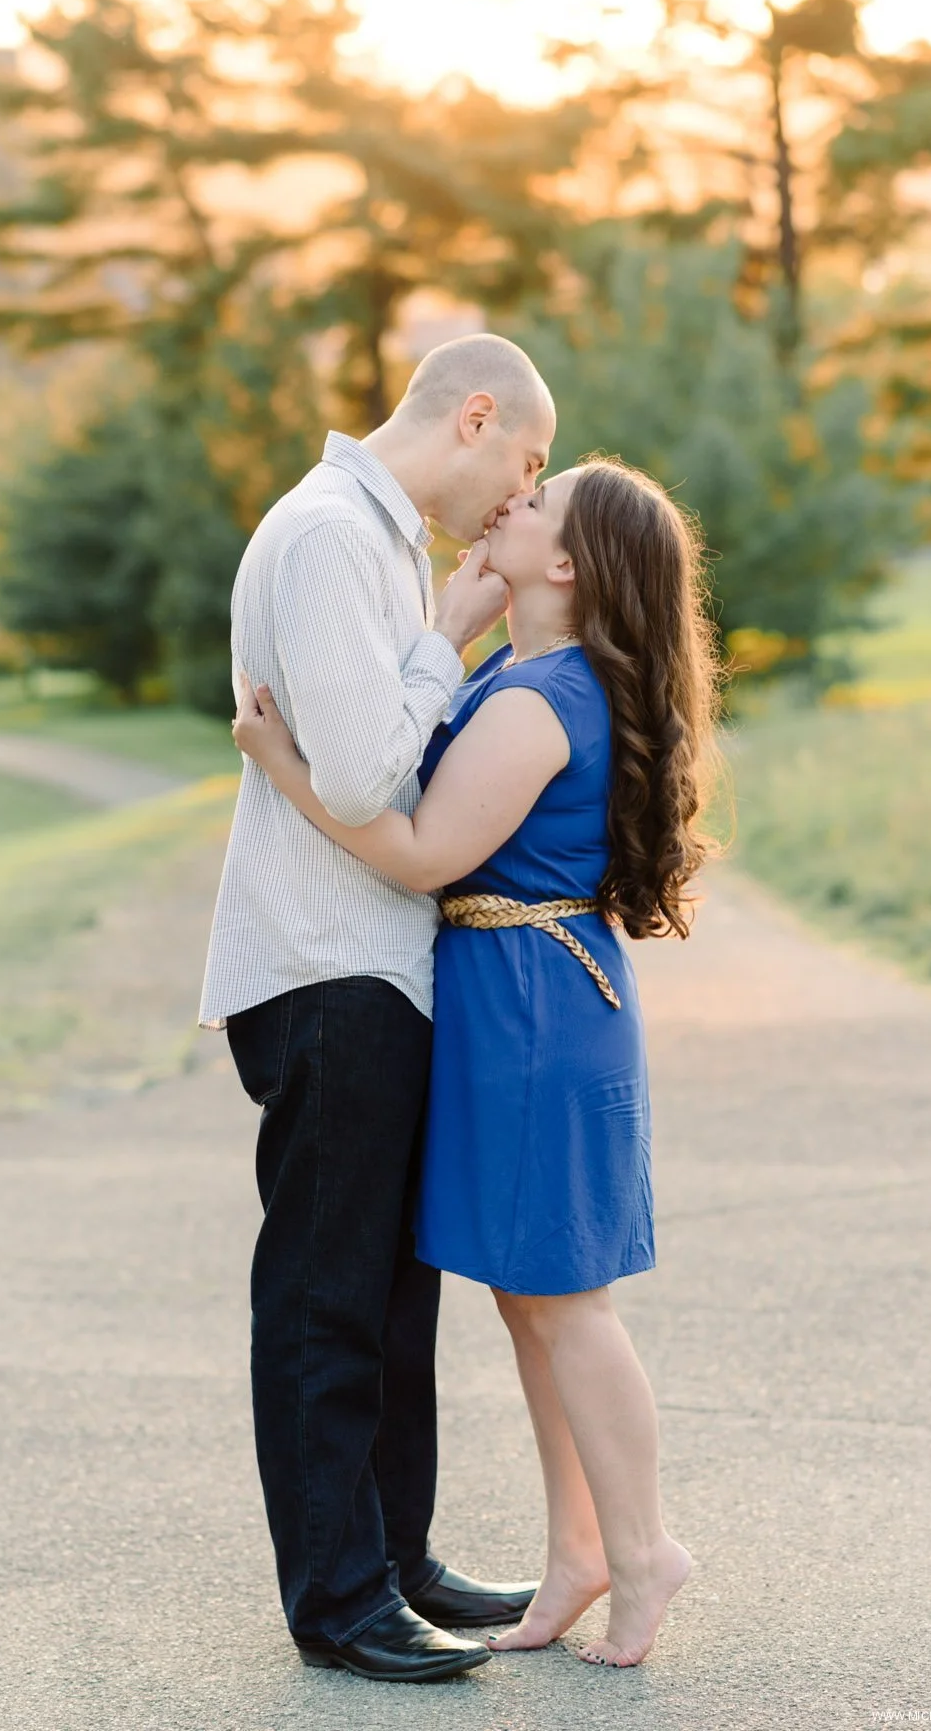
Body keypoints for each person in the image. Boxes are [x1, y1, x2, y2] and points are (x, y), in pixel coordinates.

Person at [232, 457, 721, 1668]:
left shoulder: (537, 699)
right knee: (528, 1297)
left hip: (538, 1015)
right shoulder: (527, 673)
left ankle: (646, 1546)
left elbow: (420, 854)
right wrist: (450, 630)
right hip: (520, 1001)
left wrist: (281, 764)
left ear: (566, 566)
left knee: (567, 1299)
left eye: (537, 506)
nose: (512, 504)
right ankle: (578, 1552)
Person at [199, 334, 558, 1683]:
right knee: (328, 1294)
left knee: (396, 1297)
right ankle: (339, 1596)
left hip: (379, 963)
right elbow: (359, 781)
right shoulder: (328, 539)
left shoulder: (381, 539)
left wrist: (433, 632)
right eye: (523, 459)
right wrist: (452, 640)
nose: (521, 491)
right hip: (326, 967)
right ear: (475, 416)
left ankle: (394, 1561)